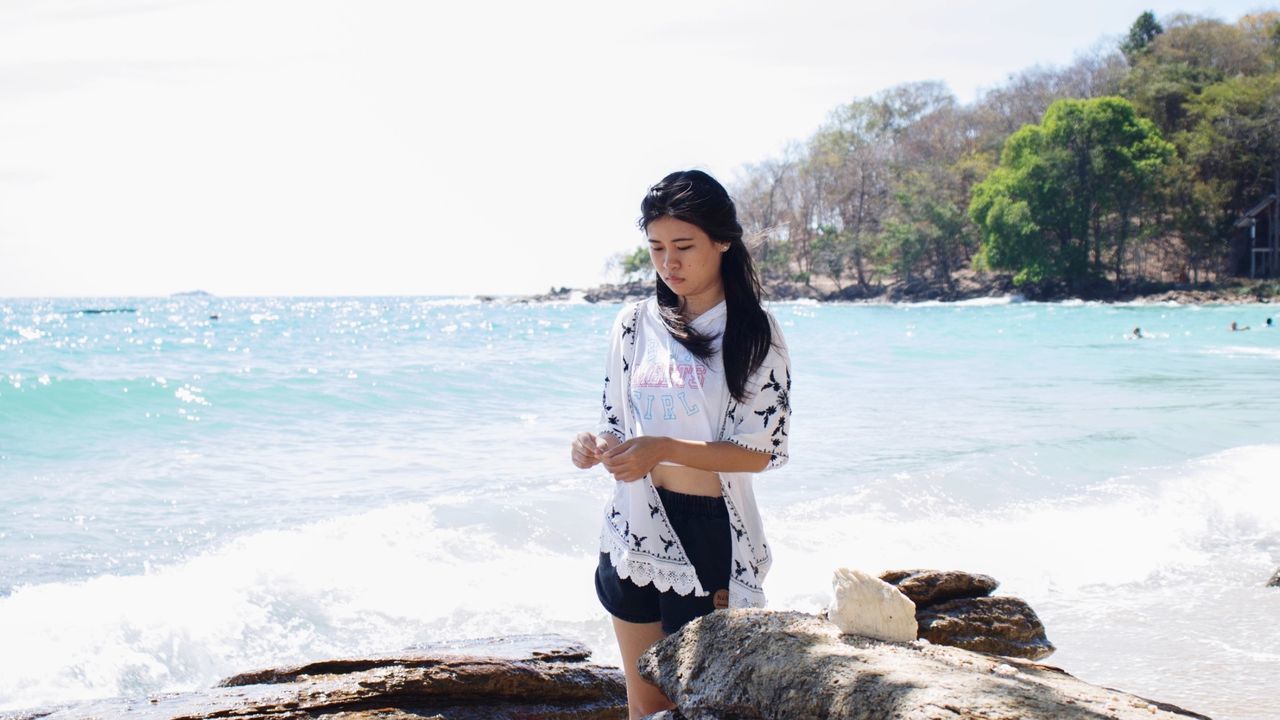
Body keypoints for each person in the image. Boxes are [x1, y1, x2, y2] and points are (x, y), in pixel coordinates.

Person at [570, 170, 791, 718]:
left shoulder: (753, 331)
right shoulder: (632, 325)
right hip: (632, 528)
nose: (669, 263)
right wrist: (598, 447)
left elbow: (759, 452)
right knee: (645, 706)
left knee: (699, 706)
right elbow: (619, 424)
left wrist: (663, 447)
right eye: (657, 248)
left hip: (708, 533)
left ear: (722, 241)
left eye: (684, 246)